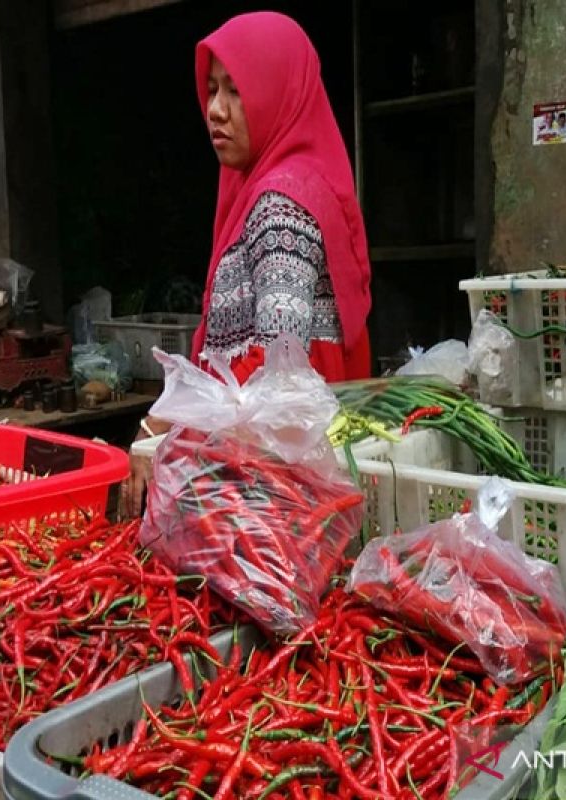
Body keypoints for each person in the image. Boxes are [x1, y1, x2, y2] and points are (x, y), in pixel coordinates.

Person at [121, 11, 373, 517]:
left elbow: (277, 373)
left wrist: (164, 428)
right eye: (212, 89)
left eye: (236, 90)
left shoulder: (281, 205)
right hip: (276, 475)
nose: (215, 109)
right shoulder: (273, 185)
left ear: (277, 93)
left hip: (275, 486)